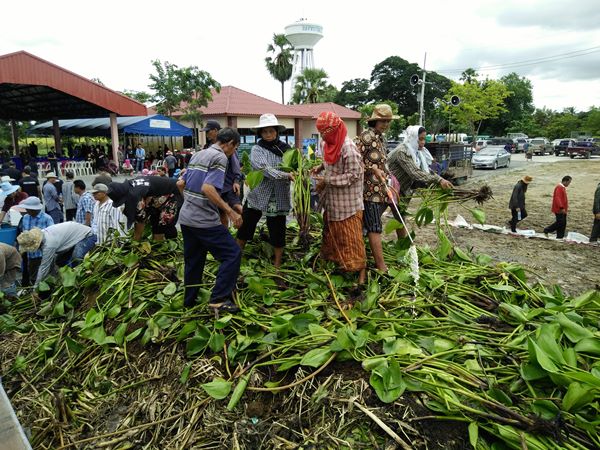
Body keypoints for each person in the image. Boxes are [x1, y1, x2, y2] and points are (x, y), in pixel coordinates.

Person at [177, 127, 243, 312]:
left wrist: (190, 202)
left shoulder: (198, 154)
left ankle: (189, 301)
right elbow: (207, 188)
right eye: (235, 148)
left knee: (194, 260)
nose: (233, 152)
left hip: (187, 218)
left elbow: (180, 183)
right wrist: (230, 212)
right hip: (204, 220)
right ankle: (219, 299)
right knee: (232, 254)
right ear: (230, 144)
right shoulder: (220, 157)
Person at [312, 112, 366, 284]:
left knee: (352, 240)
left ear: (334, 131)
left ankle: (361, 275)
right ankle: (340, 266)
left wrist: (327, 180)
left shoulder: (348, 148)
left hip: (348, 204)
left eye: (325, 133)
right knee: (333, 236)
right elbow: (329, 161)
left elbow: (354, 175)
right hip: (333, 201)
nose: (322, 137)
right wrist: (320, 168)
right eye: (320, 133)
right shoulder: (326, 143)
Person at [236, 113, 293, 268]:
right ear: (260, 133)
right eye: (265, 131)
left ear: (276, 132)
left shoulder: (286, 150)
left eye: (271, 131)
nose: (268, 134)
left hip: (278, 195)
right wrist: (286, 175)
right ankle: (235, 257)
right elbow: (264, 169)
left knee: (277, 229)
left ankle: (277, 264)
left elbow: (293, 166)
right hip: (258, 194)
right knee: (246, 225)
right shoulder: (257, 149)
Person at [387, 125, 454, 237]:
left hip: (401, 191)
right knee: (375, 217)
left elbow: (425, 171)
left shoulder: (418, 153)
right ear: (413, 138)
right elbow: (415, 172)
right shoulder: (402, 151)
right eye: (420, 139)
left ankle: (403, 243)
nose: (423, 142)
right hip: (387, 187)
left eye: (424, 139)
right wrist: (438, 180)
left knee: (400, 219)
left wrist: (440, 179)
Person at [354, 104, 397, 271]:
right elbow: (353, 163)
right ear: (374, 121)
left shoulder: (380, 138)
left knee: (371, 226)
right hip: (369, 191)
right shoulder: (366, 137)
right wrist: (371, 169)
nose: (385, 124)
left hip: (381, 190)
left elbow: (382, 163)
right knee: (374, 227)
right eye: (382, 121)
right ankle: (381, 266)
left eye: (388, 121)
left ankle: (365, 258)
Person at [16, 222, 96, 288]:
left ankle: (80, 280)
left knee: (76, 258)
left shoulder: (49, 244)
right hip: (73, 238)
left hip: (87, 235)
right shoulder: (42, 234)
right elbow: (49, 263)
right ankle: (65, 279)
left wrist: (36, 287)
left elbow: (44, 267)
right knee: (60, 261)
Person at [107, 176, 183, 241]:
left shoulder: (134, 195)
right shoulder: (130, 186)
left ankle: (172, 244)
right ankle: (159, 244)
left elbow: (140, 220)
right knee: (155, 224)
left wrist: (136, 241)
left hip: (174, 194)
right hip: (158, 200)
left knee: (165, 226)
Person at [16, 196, 54, 285]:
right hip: (31, 254)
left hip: (43, 253)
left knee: (45, 275)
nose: (27, 210)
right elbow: (23, 234)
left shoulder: (47, 218)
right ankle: (34, 288)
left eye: (28, 209)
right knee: (33, 275)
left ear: (35, 209)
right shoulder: (25, 217)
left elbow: (52, 235)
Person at [543, 175, 572, 239]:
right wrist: (561, 207)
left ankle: (560, 236)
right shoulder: (559, 187)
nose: (569, 184)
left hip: (562, 209)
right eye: (569, 182)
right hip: (559, 209)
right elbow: (557, 198)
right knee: (560, 222)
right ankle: (547, 230)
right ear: (565, 181)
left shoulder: (562, 187)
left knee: (563, 223)